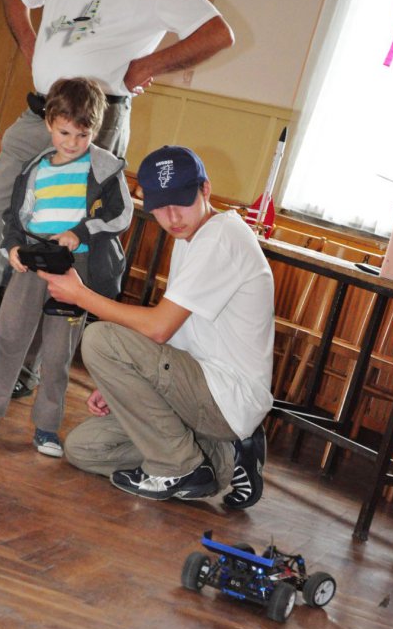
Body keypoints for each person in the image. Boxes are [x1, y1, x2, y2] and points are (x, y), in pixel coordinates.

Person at [0, 0, 234, 399]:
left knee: (60, 249)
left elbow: (217, 34)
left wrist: (146, 66)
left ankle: (27, 368)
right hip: (40, 115)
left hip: (94, 126)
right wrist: (30, 44)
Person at [39, 145, 274, 507]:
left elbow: (159, 328)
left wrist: (81, 296)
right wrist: (125, 381)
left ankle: (180, 466)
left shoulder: (220, 237)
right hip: (197, 389)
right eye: (160, 206)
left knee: (99, 338)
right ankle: (219, 458)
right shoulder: (190, 238)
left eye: (181, 201)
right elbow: (176, 330)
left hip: (225, 395)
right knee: (84, 448)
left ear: (205, 189)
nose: (172, 217)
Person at [0, 77, 133, 458]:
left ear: (95, 129)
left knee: (58, 352)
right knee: (8, 337)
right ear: (49, 122)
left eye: (82, 135)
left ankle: (47, 428)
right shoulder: (35, 167)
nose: (72, 142)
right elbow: (15, 216)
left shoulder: (103, 166)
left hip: (74, 271)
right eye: (64, 132)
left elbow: (121, 216)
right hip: (33, 262)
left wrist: (80, 232)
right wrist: (13, 247)